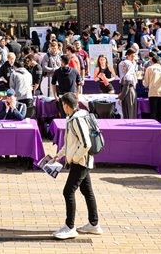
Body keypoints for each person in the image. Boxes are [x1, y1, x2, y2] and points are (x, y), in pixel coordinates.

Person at [50, 92, 101, 240]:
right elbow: (70, 143)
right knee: (87, 191)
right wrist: (59, 156)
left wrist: (74, 158)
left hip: (81, 162)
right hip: (83, 161)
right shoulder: (78, 116)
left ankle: (70, 227)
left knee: (68, 192)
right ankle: (94, 224)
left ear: (66, 105)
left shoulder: (76, 120)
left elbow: (86, 143)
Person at [143, 55, 161, 121]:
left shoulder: (149, 68)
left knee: (153, 113)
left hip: (153, 92)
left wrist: (143, 82)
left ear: (152, 61)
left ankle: (155, 129)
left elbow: (146, 83)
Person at [118, 48, 139, 119]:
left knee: (129, 112)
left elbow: (127, 84)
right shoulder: (127, 66)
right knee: (129, 112)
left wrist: (121, 97)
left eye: (124, 66)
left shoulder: (128, 72)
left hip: (129, 91)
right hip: (129, 91)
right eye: (132, 56)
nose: (123, 68)